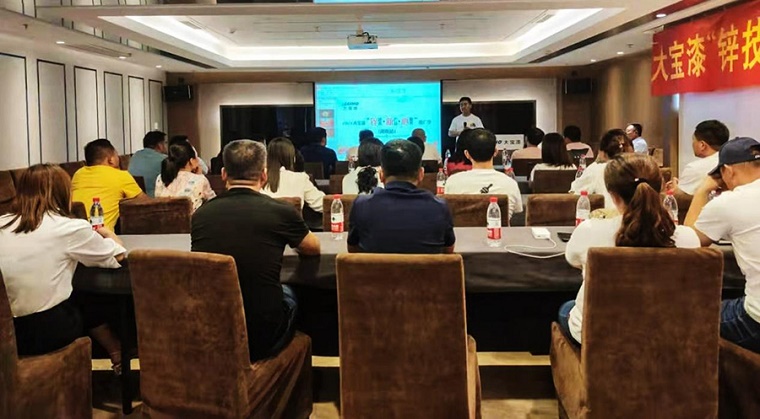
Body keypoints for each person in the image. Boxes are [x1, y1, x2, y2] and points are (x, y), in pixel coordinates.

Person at [192, 139, 321, 361]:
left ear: (223, 174)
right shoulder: (281, 211)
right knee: (292, 293)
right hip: (263, 332)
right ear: (264, 175)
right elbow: (312, 248)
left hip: (212, 327)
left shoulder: (201, 215)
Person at [558, 154, 700, 345]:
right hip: (667, 334)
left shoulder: (589, 230)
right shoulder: (689, 238)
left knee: (566, 309)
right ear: (661, 188)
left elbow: (573, 260)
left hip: (599, 335)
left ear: (613, 195)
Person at [0, 164, 126, 371]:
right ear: (63, 192)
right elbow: (117, 254)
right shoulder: (68, 228)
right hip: (42, 332)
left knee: (76, 294)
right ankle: (119, 353)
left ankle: (115, 351)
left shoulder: (2, 223)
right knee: (89, 296)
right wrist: (108, 233)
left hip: (7, 331)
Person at [685, 137, 760, 353]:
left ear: (727, 171)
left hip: (755, 322)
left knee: (687, 316)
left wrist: (702, 190)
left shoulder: (729, 202)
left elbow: (689, 244)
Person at [347, 139, 455, 254]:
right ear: (421, 174)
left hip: (374, 267)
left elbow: (353, 251)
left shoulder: (361, 205)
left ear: (381, 175)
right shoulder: (439, 207)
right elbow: (448, 251)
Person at [444, 128, 523, 219]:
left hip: (462, 229)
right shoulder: (510, 184)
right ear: (495, 152)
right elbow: (518, 211)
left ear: (467, 154)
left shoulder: (452, 182)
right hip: (498, 228)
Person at [72, 139, 146, 230]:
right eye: (116, 155)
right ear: (111, 160)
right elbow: (145, 203)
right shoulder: (121, 176)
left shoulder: (78, 174)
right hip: (101, 234)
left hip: (73, 231)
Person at [262, 137, 325, 213]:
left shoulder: (258, 178)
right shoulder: (300, 178)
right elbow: (321, 204)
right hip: (292, 221)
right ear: (293, 158)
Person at [569, 129, 626, 209]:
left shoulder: (596, 169)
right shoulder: (634, 168)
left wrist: (596, 162)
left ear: (601, 152)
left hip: (609, 214)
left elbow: (574, 191)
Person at [669, 120, 730, 195]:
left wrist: (675, 189)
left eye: (693, 140)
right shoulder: (732, 163)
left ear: (702, 145)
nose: (692, 144)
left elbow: (680, 197)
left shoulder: (693, 168)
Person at [155, 140, 216, 212]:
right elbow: (213, 202)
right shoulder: (200, 180)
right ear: (192, 160)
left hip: (164, 218)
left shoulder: (161, 178)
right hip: (190, 218)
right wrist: (200, 176)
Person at [128, 130, 167, 197]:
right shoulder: (164, 159)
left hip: (133, 198)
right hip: (155, 198)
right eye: (165, 143)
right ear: (160, 145)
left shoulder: (135, 156)